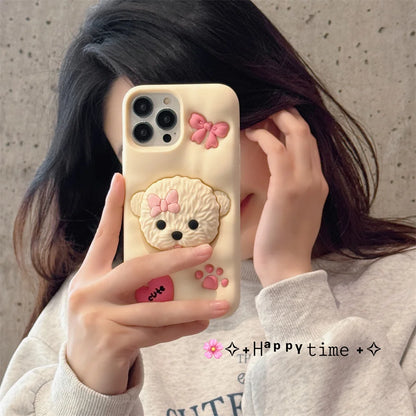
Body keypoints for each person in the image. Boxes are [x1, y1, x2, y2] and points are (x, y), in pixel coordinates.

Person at [1, 0, 415, 414]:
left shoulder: (402, 294)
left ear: (285, 111)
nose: (196, 179)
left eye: (220, 125)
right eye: (154, 153)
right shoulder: (86, 316)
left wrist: (292, 287)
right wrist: (87, 393)